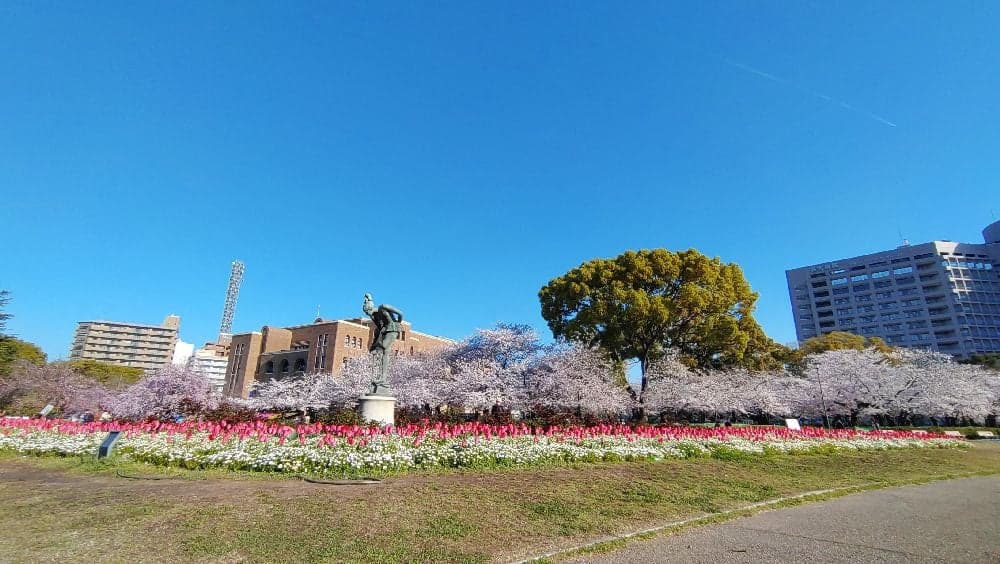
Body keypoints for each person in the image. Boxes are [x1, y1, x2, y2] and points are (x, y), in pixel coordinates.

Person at [362, 293, 404, 394]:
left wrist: (397, 323)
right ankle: (382, 378)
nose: (369, 314)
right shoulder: (373, 316)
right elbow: (379, 328)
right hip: (385, 331)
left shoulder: (383, 307)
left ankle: (383, 378)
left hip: (393, 328)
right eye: (367, 313)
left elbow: (401, 314)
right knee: (384, 352)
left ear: (372, 308)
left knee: (384, 346)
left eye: (369, 311)